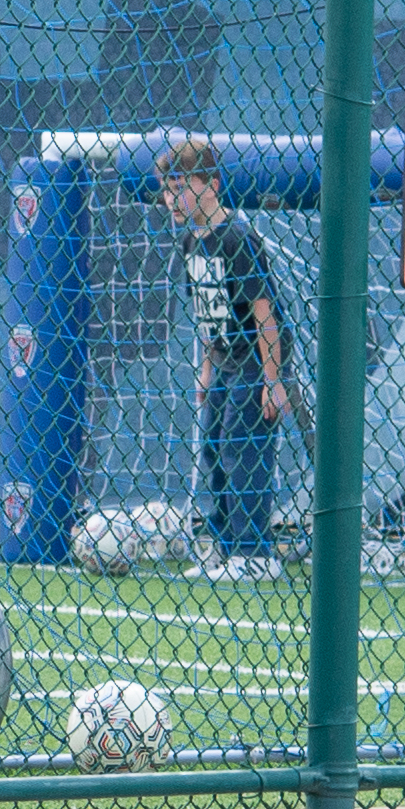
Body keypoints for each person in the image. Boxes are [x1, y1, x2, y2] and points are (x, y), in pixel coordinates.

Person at [154, 137, 293, 577]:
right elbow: (207, 312)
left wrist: (273, 380)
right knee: (214, 446)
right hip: (226, 361)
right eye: (166, 189)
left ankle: (254, 554)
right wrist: (206, 368)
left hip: (256, 359)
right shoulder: (191, 242)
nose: (170, 199)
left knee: (243, 447)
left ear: (211, 184)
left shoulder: (236, 238)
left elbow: (264, 313)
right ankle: (226, 546)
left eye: (180, 187)